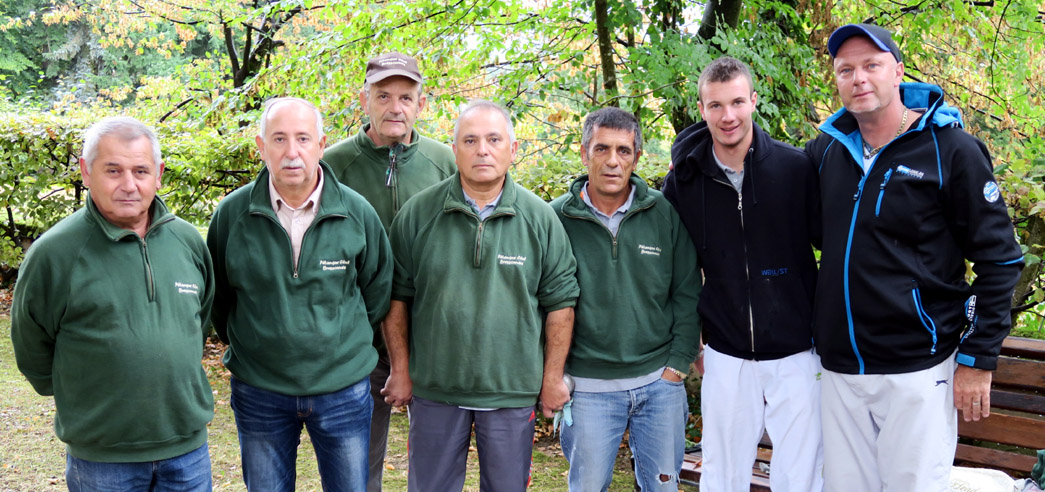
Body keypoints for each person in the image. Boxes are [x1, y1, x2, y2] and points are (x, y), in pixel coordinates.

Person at [806, 24, 1024, 491]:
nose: (859, 78)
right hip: (842, 371)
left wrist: (979, 357)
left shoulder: (951, 151)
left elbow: (1001, 259)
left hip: (918, 369)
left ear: (898, 72)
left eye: (871, 65)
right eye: (846, 70)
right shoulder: (826, 152)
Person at [385, 99, 580, 492]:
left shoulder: (540, 218)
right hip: (436, 388)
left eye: (494, 139)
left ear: (513, 147)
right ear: (454, 150)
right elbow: (396, 298)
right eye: (470, 140)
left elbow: (560, 303)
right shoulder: (418, 213)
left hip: (510, 390)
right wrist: (401, 369)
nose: (483, 150)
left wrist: (553, 377)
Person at [12, 116, 215, 492]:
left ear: (158, 174)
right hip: (102, 460)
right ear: (86, 172)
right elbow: (31, 347)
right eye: (113, 170)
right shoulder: (55, 254)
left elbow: (197, 324)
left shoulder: (188, 242)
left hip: (187, 452)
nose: (129, 185)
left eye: (141, 170)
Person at [207, 97, 393, 492]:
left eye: (303, 139)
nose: (292, 152)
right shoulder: (231, 215)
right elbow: (219, 300)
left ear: (321, 144)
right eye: (279, 139)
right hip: (260, 390)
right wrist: (257, 345)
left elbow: (376, 294)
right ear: (261, 147)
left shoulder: (357, 213)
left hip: (343, 389)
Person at [663, 56, 824, 492]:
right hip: (726, 349)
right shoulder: (684, 182)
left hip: (797, 349)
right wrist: (691, 335)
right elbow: (677, 269)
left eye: (737, 102)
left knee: (802, 473)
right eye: (715, 105)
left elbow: (835, 248)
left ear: (754, 100)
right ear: (702, 110)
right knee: (722, 473)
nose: (728, 116)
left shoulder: (795, 169)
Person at [323, 52, 456, 492]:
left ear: (421, 103)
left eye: (406, 96)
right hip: (359, 338)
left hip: (432, 335)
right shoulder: (333, 165)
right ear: (365, 99)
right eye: (383, 95)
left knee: (436, 462)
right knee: (358, 463)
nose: (395, 107)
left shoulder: (446, 162)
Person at [550, 107, 701, 491]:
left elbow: (687, 291)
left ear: (636, 156)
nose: (613, 161)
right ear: (584, 154)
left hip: (659, 387)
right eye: (602, 149)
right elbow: (539, 302)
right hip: (588, 391)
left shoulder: (663, 214)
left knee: (664, 486)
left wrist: (677, 367)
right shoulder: (554, 220)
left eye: (623, 150)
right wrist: (552, 374)